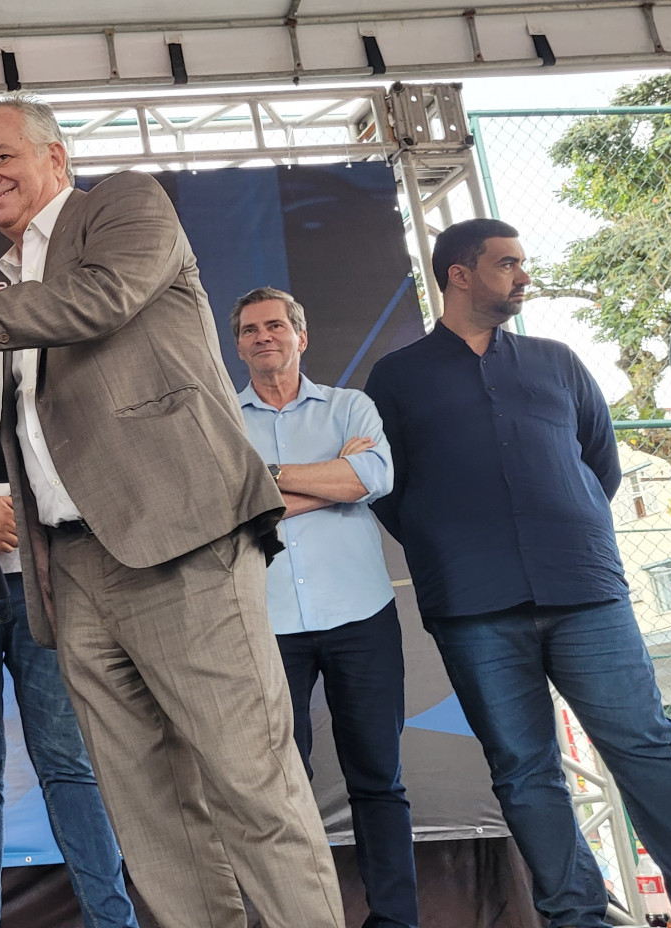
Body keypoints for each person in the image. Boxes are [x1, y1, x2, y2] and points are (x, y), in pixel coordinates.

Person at [0, 93, 345, 928]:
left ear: (55, 157)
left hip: (182, 540)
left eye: (2, 157)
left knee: (252, 787)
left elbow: (102, 299)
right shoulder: (13, 281)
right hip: (72, 571)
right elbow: (8, 419)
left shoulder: (121, 206)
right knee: (152, 819)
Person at [363, 217, 671, 928]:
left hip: (584, 589)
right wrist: (450, 544)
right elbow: (388, 488)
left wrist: (564, 525)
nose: (524, 275)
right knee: (523, 768)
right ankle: (575, 918)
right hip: (471, 604)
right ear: (459, 275)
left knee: (649, 748)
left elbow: (599, 464)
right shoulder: (396, 377)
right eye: (507, 263)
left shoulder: (557, 360)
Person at [0, 246, 137, 928]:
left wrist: (17, 512)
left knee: (67, 762)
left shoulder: (34, 358)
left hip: (42, 587)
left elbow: (75, 455)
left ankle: (113, 921)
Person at [230, 286, 417, 928]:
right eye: (250, 329)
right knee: (283, 788)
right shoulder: (223, 421)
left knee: (379, 778)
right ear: (238, 347)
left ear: (300, 337)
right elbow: (228, 507)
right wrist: (332, 478)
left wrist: (268, 478)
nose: (264, 336)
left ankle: (395, 921)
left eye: (275, 325)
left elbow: (373, 478)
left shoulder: (350, 407)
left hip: (361, 615)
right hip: (267, 624)